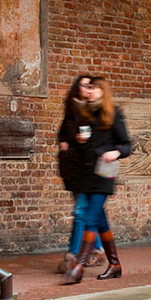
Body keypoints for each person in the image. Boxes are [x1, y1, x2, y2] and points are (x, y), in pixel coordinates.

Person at [56, 74, 131, 284]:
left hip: (104, 174)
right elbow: (77, 142)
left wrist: (115, 153)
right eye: (87, 88)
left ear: (102, 91)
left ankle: (78, 266)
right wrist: (77, 141)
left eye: (93, 88)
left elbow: (126, 145)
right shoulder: (84, 113)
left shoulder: (113, 113)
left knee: (89, 217)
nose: (89, 91)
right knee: (99, 220)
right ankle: (115, 264)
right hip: (86, 174)